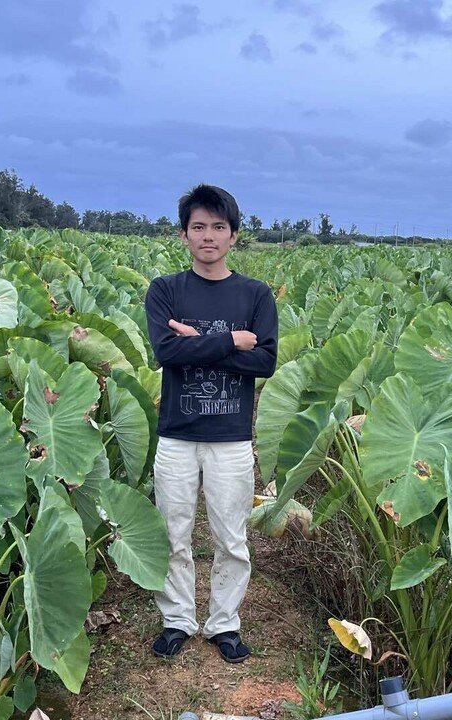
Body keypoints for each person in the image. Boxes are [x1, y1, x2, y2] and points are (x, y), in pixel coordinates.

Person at [143, 184, 278, 663]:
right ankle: (178, 620)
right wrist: (231, 341)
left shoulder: (255, 295)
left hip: (231, 438)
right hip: (177, 434)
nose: (208, 236)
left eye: (218, 227)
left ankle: (225, 625)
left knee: (231, 537)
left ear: (233, 236)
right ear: (183, 235)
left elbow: (265, 363)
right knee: (172, 533)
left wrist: (197, 341)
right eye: (198, 227)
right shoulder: (165, 290)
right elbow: (165, 352)